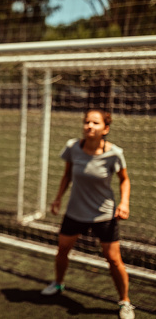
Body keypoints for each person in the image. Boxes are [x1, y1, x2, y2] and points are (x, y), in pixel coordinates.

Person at [41, 109, 134, 319]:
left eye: (95, 123)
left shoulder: (114, 153)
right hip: (75, 212)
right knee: (63, 250)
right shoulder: (73, 147)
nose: (89, 126)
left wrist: (124, 203)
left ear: (105, 129)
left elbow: (124, 180)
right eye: (86, 122)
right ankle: (58, 284)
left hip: (104, 214)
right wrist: (57, 198)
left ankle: (125, 302)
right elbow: (67, 175)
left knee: (113, 259)